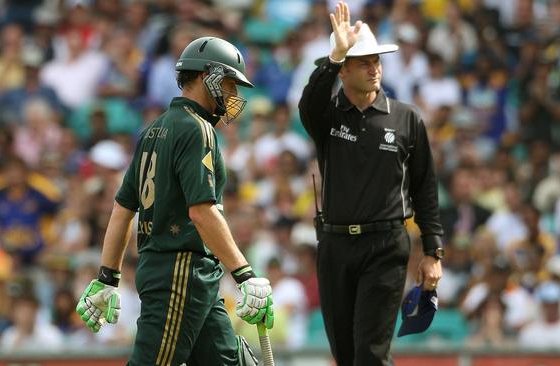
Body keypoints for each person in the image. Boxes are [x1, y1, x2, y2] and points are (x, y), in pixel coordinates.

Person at [75, 36, 274, 366]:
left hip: (180, 272)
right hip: (181, 271)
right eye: (228, 83)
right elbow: (201, 211)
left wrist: (107, 277)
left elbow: (123, 209)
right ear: (205, 76)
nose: (233, 95)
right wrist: (245, 274)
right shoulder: (198, 129)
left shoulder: (154, 129)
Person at [298, 2, 443, 364]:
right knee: (346, 357)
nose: (374, 67)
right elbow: (307, 103)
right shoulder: (326, 116)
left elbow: (425, 186)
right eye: (363, 61)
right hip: (334, 246)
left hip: (386, 247)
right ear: (342, 71)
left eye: (376, 60)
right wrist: (333, 56)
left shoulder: (407, 118)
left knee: (370, 354)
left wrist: (432, 251)